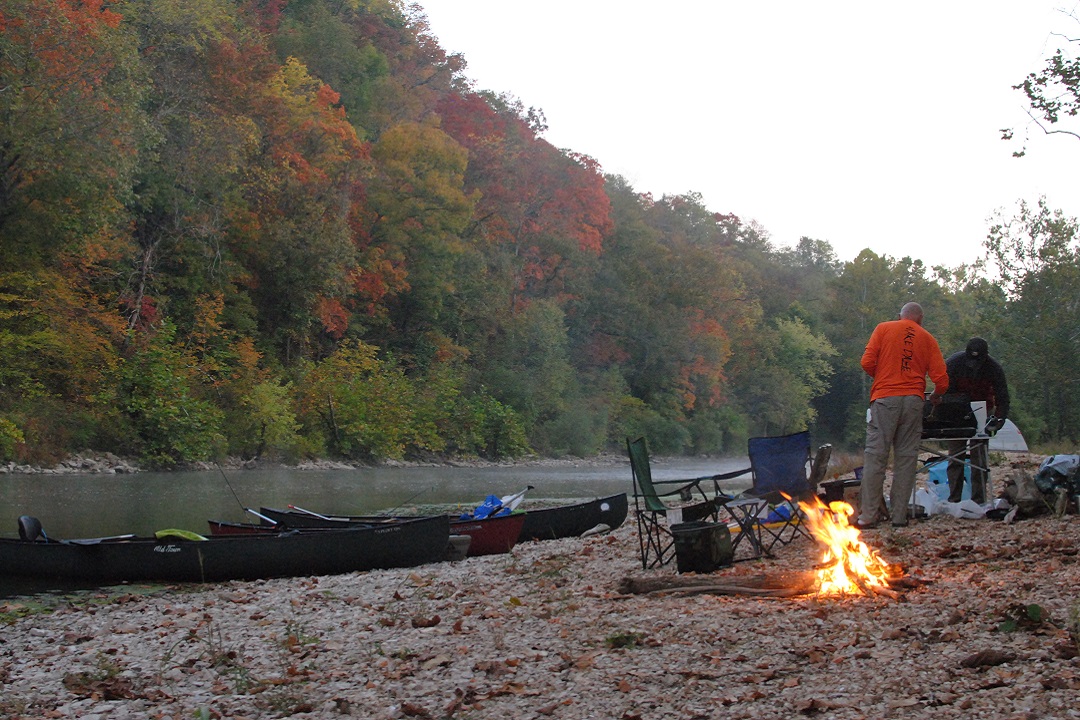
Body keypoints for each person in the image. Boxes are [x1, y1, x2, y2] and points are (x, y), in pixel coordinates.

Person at [858, 302, 949, 528]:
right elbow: (942, 381)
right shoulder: (927, 338)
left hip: (885, 398)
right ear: (920, 319)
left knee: (876, 456)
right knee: (906, 459)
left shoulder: (883, 328)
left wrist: (882, 378)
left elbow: (866, 362)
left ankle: (868, 516)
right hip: (913, 402)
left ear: (900, 316)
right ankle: (899, 517)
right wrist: (936, 396)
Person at [942, 337, 1010, 505]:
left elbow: (1003, 398)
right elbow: (943, 392)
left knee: (979, 459)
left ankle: (978, 500)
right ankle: (954, 500)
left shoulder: (994, 368)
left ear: (985, 357)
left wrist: (998, 421)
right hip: (956, 413)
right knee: (955, 456)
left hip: (982, 412)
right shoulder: (953, 364)